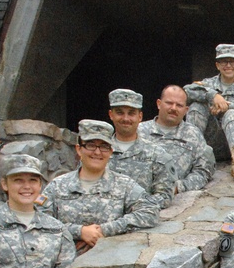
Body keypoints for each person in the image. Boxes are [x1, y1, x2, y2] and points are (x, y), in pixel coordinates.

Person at [40, 120, 158, 252]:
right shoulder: (57, 186)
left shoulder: (124, 185)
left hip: (109, 261)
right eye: (91, 145)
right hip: (63, 264)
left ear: (111, 151)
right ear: (79, 149)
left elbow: (150, 212)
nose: (97, 152)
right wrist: (79, 231)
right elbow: (39, 220)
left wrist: (106, 229)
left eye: (104, 146)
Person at [185, 44, 234, 180]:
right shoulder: (208, 83)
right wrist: (212, 96)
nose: (228, 65)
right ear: (217, 65)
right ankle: (191, 155)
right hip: (212, 142)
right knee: (196, 107)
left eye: (232, 61)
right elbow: (186, 92)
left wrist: (228, 106)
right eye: (224, 61)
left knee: (231, 114)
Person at [138, 84, 216, 194]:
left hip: (174, 199)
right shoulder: (139, 131)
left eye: (179, 105)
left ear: (186, 110)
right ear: (159, 104)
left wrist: (178, 187)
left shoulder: (193, 134)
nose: (173, 108)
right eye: (169, 103)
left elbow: (203, 172)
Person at [106, 88, 175, 210]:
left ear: (140, 116)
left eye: (131, 113)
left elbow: (165, 196)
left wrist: (133, 206)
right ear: (111, 115)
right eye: (120, 112)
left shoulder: (157, 155)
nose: (126, 118)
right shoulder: (97, 153)